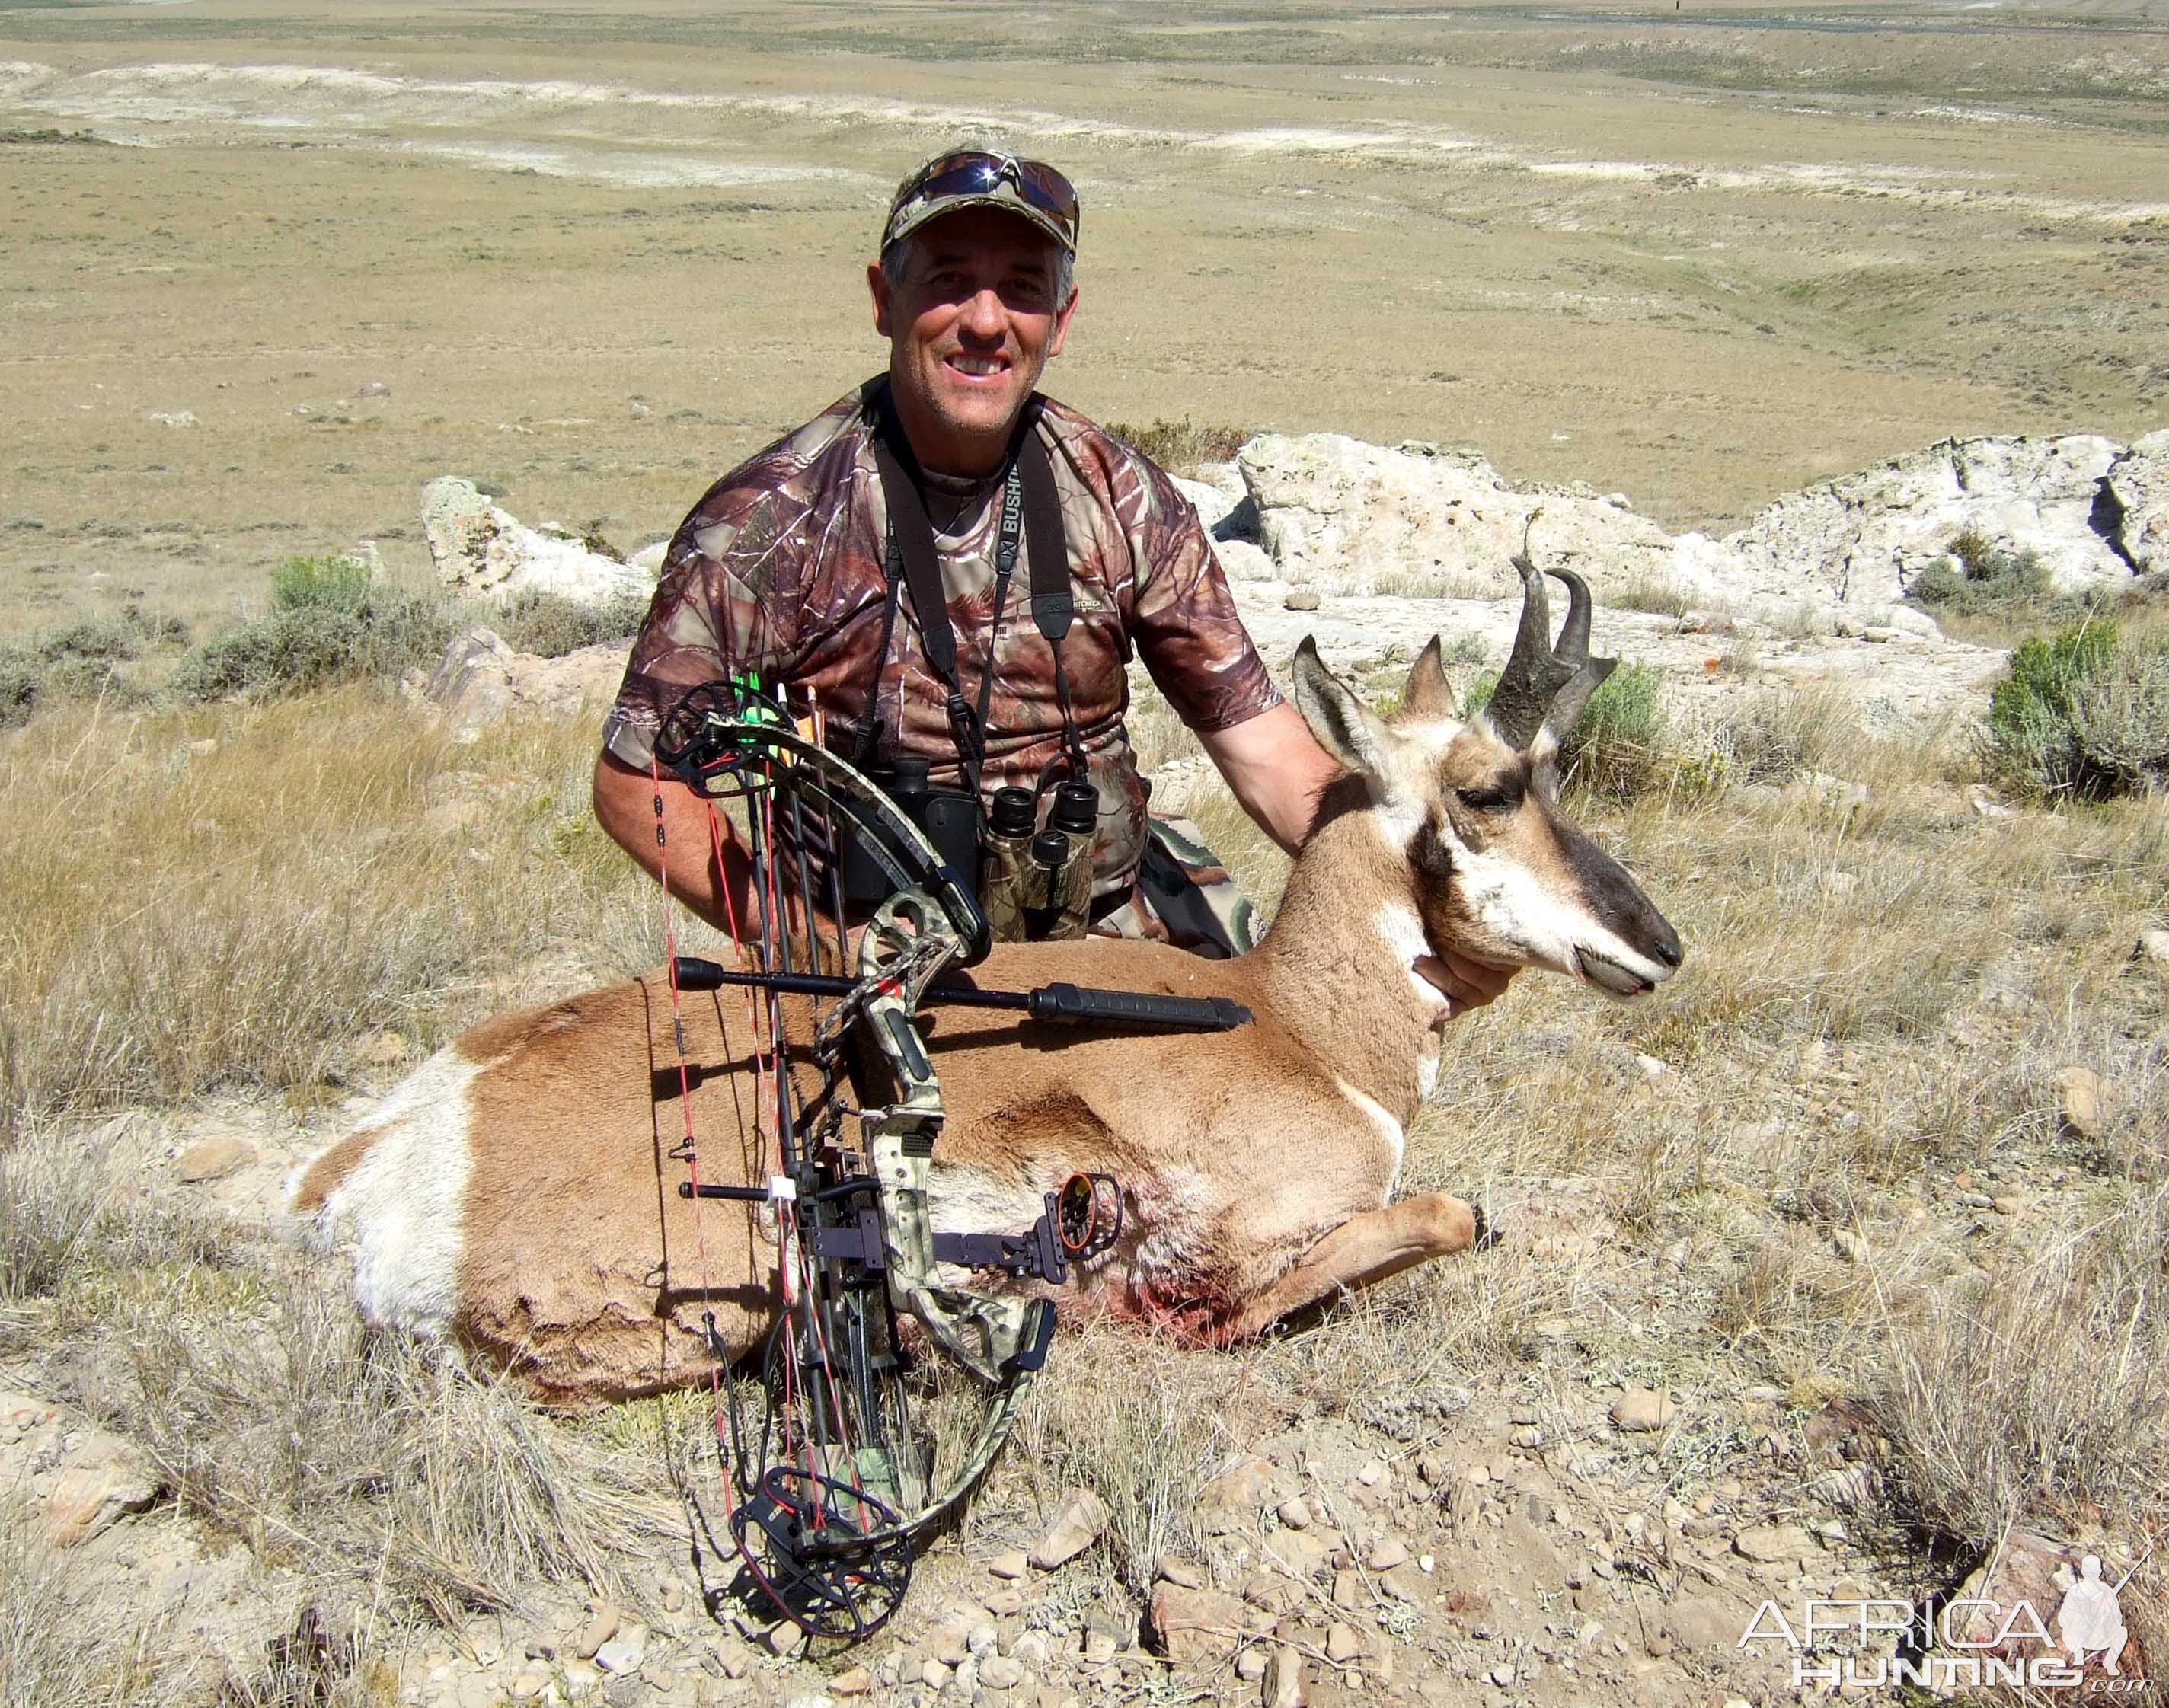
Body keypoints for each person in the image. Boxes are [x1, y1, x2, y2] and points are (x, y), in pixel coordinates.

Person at [593, 148, 1512, 1007]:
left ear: (1060, 321)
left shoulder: (1125, 499)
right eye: (948, 279)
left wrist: (1417, 908)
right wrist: (801, 937)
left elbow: (1268, 755)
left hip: (1107, 922)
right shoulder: (766, 525)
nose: (985, 321)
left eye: (1022, 291)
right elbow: (638, 784)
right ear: (884, 298)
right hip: (868, 958)